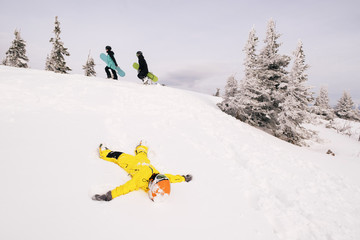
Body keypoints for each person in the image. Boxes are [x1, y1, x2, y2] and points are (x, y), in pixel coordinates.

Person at [92, 142, 192, 201]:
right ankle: (141, 146)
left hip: (134, 163)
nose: (160, 175)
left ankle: (105, 152)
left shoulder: (139, 181)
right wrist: (183, 178)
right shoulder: (160, 177)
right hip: (139, 161)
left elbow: (125, 188)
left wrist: (108, 196)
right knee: (135, 154)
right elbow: (172, 178)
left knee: (123, 155)